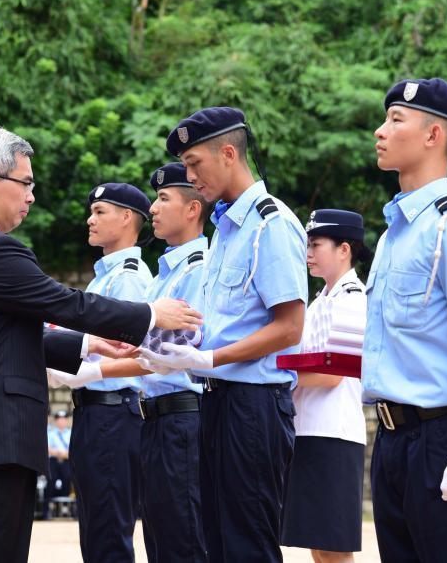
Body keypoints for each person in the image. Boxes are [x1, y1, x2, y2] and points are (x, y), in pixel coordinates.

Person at [0, 126, 201, 563]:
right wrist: (151, 315)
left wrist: (88, 344)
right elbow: (68, 303)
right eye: (24, 183)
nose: (30, 196)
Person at [140, 106, 308, 563]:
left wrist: (211, 360)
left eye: (195, 164)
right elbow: (214, 326)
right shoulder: (226, 232)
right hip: (216, 401)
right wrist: (174, 353)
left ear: (228, 153)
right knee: (216, 541)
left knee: (246, 544)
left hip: (253, 406)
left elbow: (291, 326)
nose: (190, 175)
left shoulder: (270, 225)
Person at [362, 78, 447, 562]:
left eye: (395, 119)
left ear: (433, 135)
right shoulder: (393, 235)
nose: (380, 130)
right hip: (392, 440)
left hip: (443, 439)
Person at [60, 182, 153, 563]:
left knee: (109, 536)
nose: (90, 219)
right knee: (97, 534)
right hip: (96, 412)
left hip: (114, 412)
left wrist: (89, 375)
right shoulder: (105, 276)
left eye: (101, 212)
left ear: (128, 217)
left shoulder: (128, 276)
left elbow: (144, 356)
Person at [280, 209, 369, 563]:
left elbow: (335, 372)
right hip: (309, 428)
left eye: (316, 244)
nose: (308, 253)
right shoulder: (320, 300)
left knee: (333, 548)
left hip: (335, 432)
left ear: (344, 249)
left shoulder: (353, 298)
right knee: (319, 546)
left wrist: (278, 374)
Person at [138, 162, 209, 563]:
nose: (154, 207)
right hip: (154, 418)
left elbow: (177, 343)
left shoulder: (199, 270)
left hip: (183, 418)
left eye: (164, 198)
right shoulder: (162, 274)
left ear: (192, 209)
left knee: (184, 540)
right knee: (159, 542)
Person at [43, 410, 72, 519]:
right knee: (50, 483)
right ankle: (46, 511)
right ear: (55, 421)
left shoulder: (70, 433)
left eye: (63, 419)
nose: (61, 421)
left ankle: (65, 510)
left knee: (67, 481)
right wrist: (58, 453)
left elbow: (73, 449)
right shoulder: (50, 433)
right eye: (59, 419)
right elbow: (47, 448)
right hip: (53, 462)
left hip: (66, 462)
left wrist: (64, 454)